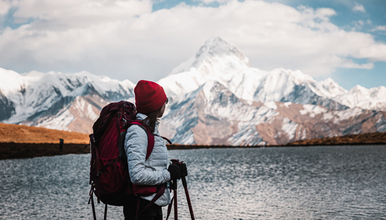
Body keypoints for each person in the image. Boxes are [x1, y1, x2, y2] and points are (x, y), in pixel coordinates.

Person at [123, 80, 182, 220]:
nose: (165, 105)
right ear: (156, 105)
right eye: (163, 101)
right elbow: (137, 175)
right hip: (141, 207)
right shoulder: (137, 132)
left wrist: (174, 171)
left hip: (151, 203)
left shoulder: (148, 129)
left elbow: (151, 166)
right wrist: (168, 174)